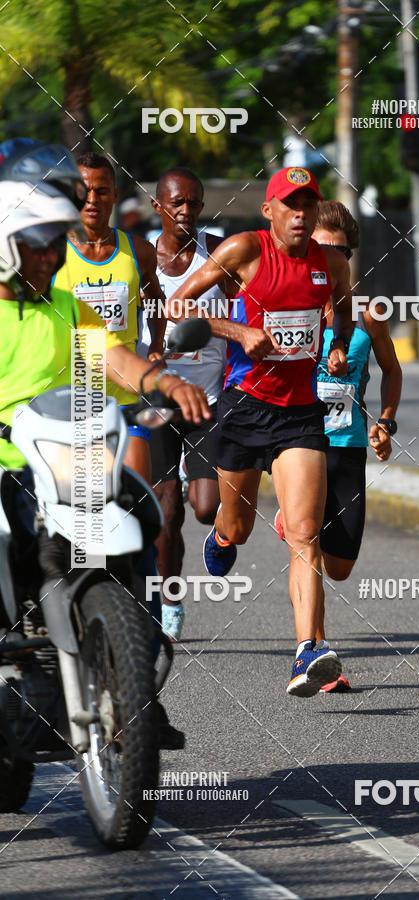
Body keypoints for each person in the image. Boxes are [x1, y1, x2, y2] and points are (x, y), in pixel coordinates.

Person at [0, 177, 211, 745]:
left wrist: (162, 379)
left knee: (138, 522)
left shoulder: (66, 305)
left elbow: (112, 355)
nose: (51, 254)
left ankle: (136, 684)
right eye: (39, 243)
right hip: (5, 468)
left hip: (68, 458)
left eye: (53, 243)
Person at [166, 166, 354, 697]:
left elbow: (344, 312)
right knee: (240, 524)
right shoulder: (244, 251)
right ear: (269, 210)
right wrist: (237, 330)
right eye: (291, 206)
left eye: (309, 206)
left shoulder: (331, 261)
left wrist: (338, 345)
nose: (301, 215)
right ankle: (224, 535)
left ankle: (308, 651)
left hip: (299, 413)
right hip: (244, 408)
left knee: (303, 534)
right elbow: (180, 304)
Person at [275, 201, 402, 692]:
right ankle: (316, 654)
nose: (328, 259)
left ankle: (300, 533)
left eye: (338, 251)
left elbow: (392, 371)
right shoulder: (294, 309)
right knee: (306, 545)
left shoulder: (369, 317)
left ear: (350, 257)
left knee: (341, 565)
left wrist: (386, 421)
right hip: (300, 443)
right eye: (319, 249)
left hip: (347, 447)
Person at [145, 167, 231, 641]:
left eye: (195, 203)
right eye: (177, 203)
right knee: (167, 513)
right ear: (159, 206)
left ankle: (188, 479)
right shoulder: (141, 256)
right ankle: (170, 600)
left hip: (208, 399)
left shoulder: (218, 251)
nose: (187, 212)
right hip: (158, 394)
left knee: (203, 508)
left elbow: (247, 306)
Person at [51, 152, 166, 483]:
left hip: (125, 396)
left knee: (137, 502)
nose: (92, 200)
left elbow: (156, 297)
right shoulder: (51, 254)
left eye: (102, 191)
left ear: (115, 196)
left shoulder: (140, 251)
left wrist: (156, 343)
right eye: (84, 191)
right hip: (70, 402)